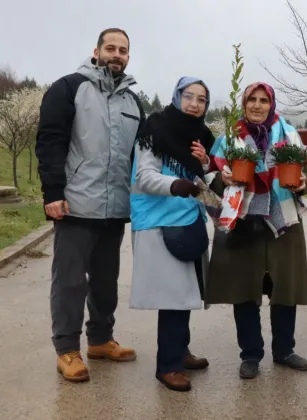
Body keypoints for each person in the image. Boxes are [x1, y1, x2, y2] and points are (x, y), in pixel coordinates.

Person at [35, 28, 142, 382]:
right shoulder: (68, 88)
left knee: (106, 281)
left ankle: (100, 339)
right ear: (96, 51)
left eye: (123, 50)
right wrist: (53, 192)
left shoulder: (132, 101)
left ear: (128, 56)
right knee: (69, 282)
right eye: (110, 47)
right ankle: (67, 349)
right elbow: (50, 141)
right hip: (76, 206)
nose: (117, 54)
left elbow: (137, 156)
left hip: (114, 210)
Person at [206, 82, 307, 379]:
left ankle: (284, 351)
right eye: (251, 100)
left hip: (284, 221)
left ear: (271, 103)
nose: (257, 105)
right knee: (245, 290)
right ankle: (251, 354)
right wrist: (221, 179)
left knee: (284, 289)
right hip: (243, 220)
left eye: (263, 100)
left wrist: (304, 183)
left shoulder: (289, 134)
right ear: (244, 103)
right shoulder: (229, 137)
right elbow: (210, 176)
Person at [129, 77, 215, 392]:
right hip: (159, 222)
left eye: (201, 99)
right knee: (172, 297)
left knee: (185, 292)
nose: (194, 103)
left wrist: (206, 163)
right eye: (188, 96)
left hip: (188, 220)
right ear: (176, 97)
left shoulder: (202, 136)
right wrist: (174, 185)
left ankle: (180, 349)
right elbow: (145, 176)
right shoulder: (154, 130)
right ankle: (168, 366)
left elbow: (203, 178)